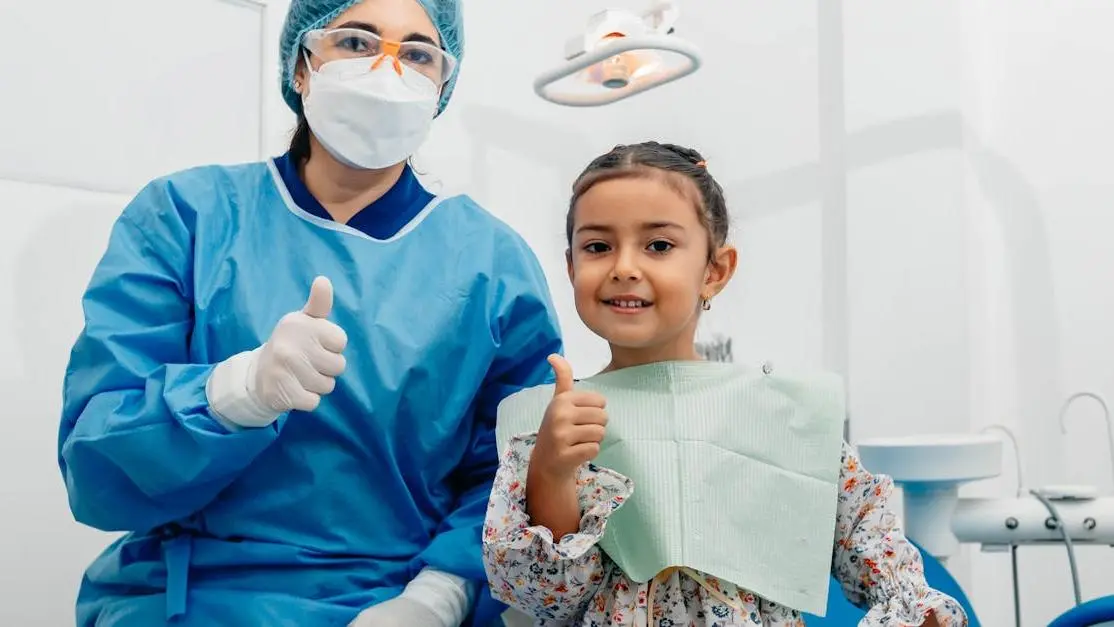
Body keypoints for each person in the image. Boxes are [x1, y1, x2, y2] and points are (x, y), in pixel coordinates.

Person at [57, 0, 562, 625]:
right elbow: (96, 466)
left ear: (441, 88)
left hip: (398, 595)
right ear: (301, 66)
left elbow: (513, 471)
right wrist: (234, 392)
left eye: (417, 54)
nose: (386, 70)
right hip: (192, 598)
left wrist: (438, 598)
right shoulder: (186, 216)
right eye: (355, 42)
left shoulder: (492, 264)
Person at [481, 141, 969, 626]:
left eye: (659, 245)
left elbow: (872, 545)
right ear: (571, 268)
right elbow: (546, 598)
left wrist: (916, 611)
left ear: (715, 270)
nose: (624, 266)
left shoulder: (780, 414)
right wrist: (551, 470)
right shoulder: (551, 424)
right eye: (598, 246)